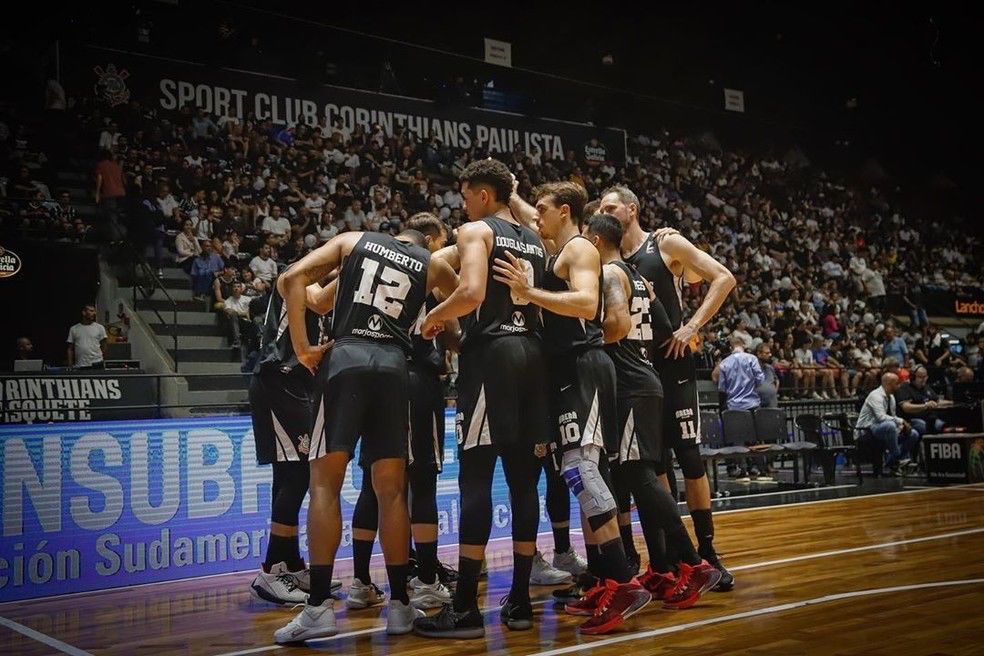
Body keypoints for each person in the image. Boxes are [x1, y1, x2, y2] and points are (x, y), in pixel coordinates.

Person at [273, 228, 457, 643]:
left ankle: (319, 606)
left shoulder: (353, 241)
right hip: (394, 367)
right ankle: (398, 606)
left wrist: (302, 347)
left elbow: (292, 281)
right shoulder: (428, 263)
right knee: (392, 491)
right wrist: (434, 318)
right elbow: (468, 294)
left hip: (346, 358)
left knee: (325, 485)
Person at [491, 182, 651, 634]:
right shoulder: (557, 247)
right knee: (578, 471)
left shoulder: (580, 247)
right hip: (567, 370)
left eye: (543, 210)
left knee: (583, 469)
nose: (535, 217)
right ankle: (608, 579)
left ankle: (623, 581)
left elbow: (585, 302)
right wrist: (515, 193)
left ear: (564, 212)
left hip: (585, 362)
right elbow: (527, 216)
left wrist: (530, 292)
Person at [413, 159, 550, 639]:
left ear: (484, 196)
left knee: (475, 480)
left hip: (492, 359)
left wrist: (432, 319)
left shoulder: (477, 230)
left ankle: (467, 606)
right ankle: (519, 602)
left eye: (466, 194)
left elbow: (470, 292)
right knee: (523, 484)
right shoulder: (536, 238)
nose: (462, 205)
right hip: (534, 357)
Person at [600, 185, 737, 591]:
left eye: (612, 206)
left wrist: (692, 326)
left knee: (690, 459)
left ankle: (707, 551)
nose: (606, 212)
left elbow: (723, 277)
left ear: (632, 208)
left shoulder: (665, 241)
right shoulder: (610, 259)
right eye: (602, 207)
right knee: (653, 467)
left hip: (674, 363)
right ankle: (669, 558)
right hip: (638, 370)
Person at [345, 213, 459, 612]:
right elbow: (457, 336)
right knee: (423, 479)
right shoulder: (425, 268)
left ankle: (359, 582)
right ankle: (426, 579)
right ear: (428, 239)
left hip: (371, 372)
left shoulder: (369, 260)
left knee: (372, 484)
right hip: (414, 379)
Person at [248, 271, 340, 606]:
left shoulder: (316, 284)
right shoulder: (298, 276)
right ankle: (272, 571)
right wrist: (354, 272)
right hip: (278, 379)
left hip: (296, 383)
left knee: (288, 474)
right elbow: (320, 298)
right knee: (302, 471)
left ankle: (289, 563)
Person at [855, 372, 920, 475]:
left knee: (913, 434)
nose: (899, 386)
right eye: (897, 383)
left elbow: (892, 416)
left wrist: (902, 426)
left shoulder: (891, 397)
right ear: (889, 384)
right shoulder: (875, 396)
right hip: (865, 431)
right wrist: (901, 421)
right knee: (890, 426)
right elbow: (881, 418)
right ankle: (897, 457)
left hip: (881, 429)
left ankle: (891, 462)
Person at [712, 335, 765, 411]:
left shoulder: (724, 363)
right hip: (752, 404)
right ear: (743, 346)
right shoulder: (752, 359)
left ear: (730, 348)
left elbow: (722, 388)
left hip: (733, 406)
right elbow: (760, 379)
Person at [897, 365, 948, 443]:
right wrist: (925, 405)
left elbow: (937, 401)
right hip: (912, 419)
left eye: (925, 377)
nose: (924, 379)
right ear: (912, 377)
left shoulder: (925, 387)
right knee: (924, 426)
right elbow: (906, 407)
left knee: (942, 425)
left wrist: (954, 402)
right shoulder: (905, 387)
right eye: (921, 377)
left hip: (929, 418)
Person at [67, 304, 107, 369]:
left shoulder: (100, 327)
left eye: (94, 311)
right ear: (84, 312)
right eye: (91, 311)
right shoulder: (74, 329)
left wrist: (100, 359)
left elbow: (104, 346)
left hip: (97, 364)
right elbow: (70, 349)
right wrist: (70, 364)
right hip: (80, 365)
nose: (94, 313)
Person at [755, 342, 780, 408]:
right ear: (759, 354)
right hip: (757, 402)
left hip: (772, 402)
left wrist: (774, 391)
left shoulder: (770, 368)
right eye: (767, 353)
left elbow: (776, 380)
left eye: (770, 353)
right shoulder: (752, 368)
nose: (770, 355)